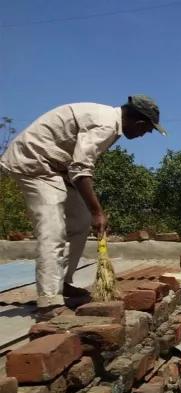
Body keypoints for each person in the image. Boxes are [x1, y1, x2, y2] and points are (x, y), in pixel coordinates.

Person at [0, 96, 166, 317]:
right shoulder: (106, 124)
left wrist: (92, 213)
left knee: (80, 221)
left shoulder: (111, 124)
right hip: (34, 163)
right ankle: (49, 300)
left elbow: (77, 166)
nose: (145, 134)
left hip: (57, 169)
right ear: (140, 123)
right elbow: (80, 169)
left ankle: (63, 282)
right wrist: (98, 211)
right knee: (53, 229)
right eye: (148, 130)